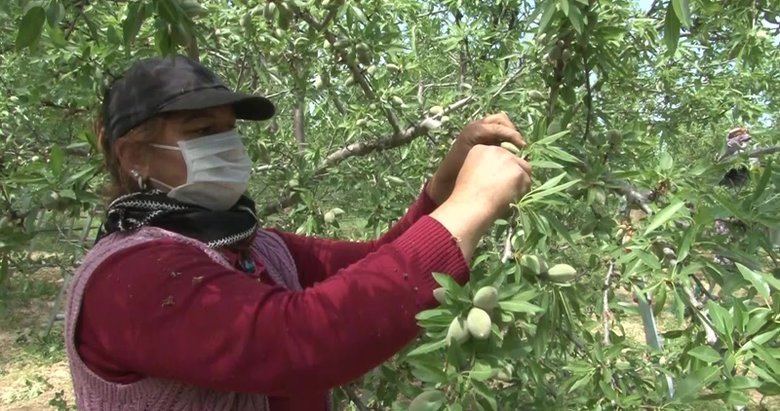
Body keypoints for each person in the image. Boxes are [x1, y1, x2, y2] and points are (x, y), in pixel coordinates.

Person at [63, 54, 532, 411]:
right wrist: (470, 207)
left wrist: (445, 187)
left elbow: (375, 264)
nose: (226, 145)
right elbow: (299, 341)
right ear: (134, 156)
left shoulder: (256, 247)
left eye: (228, 130)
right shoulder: (129, 277)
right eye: (203, 130)